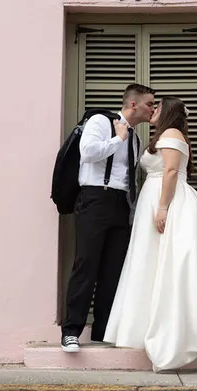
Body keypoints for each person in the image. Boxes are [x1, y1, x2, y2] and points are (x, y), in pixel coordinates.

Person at [103, 96, 197, 371]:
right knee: (153, 263)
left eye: (157, 107)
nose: (152, 110)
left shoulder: (171, 133)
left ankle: (175, 331)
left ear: (168, 113)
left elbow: (169, 171)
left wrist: (163, 207)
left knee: (171, 263)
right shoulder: (164, 135)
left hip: (170, 202)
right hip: (155, 201)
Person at [61, 84, 156, 353]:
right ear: (134, 104)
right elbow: (88, 152)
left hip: (120, 205)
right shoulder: (100, 121)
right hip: (94, 199)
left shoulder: (136, 139)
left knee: (112, 270)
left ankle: (102, 331)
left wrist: (133, 211)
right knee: (86, 264)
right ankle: (71, 332)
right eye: (150, 103)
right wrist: (118, 139)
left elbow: (129, 180)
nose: (153, 109)